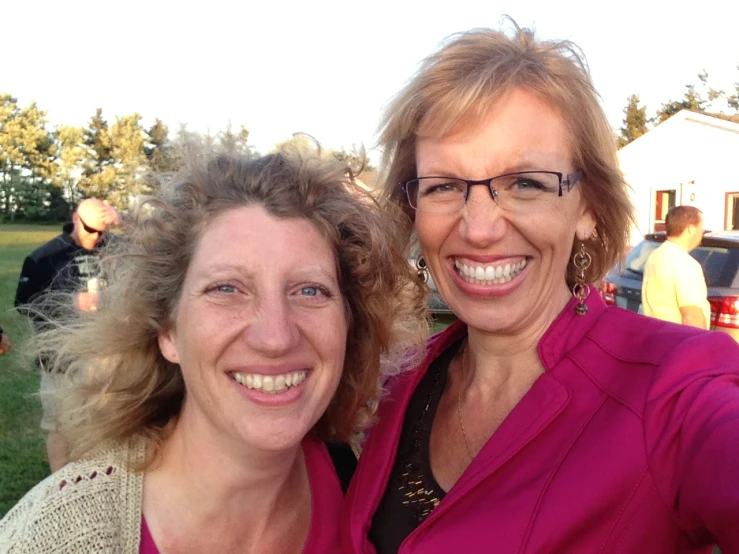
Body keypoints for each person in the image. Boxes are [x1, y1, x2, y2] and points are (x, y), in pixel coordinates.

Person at [342, 22, 739, 553]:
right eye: (443, 186)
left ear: (589, 210)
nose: (479, 228)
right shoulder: (399, 389)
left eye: (525, 183)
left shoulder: (673, 389)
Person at [0, 147, 426, 553]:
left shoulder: (370, 494)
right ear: (167, 330)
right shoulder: (51, 538)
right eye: (226, 288)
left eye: (310, 290)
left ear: (350, 324)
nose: (275, 337)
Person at [14, 197, 120, 471]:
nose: (97, 238)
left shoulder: (117, 249)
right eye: (91, 230)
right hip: (61, 360)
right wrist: (72, 302)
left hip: (107, 355)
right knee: (62, 426)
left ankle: (101, 478)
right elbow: (25, 302)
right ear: (75, 219)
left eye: (102, 231)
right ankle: (60, 482)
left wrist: (125, 222)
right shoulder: (45, 257)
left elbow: (160, 251)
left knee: (108, 423)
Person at [642, 205, 710, 329]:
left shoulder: (656, 255)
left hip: (658, 337)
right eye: (701, 228)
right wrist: (700, 348)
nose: (702, 232)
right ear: (690, 229)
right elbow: (691, 316)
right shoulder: (685, 263)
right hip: (679, 341)